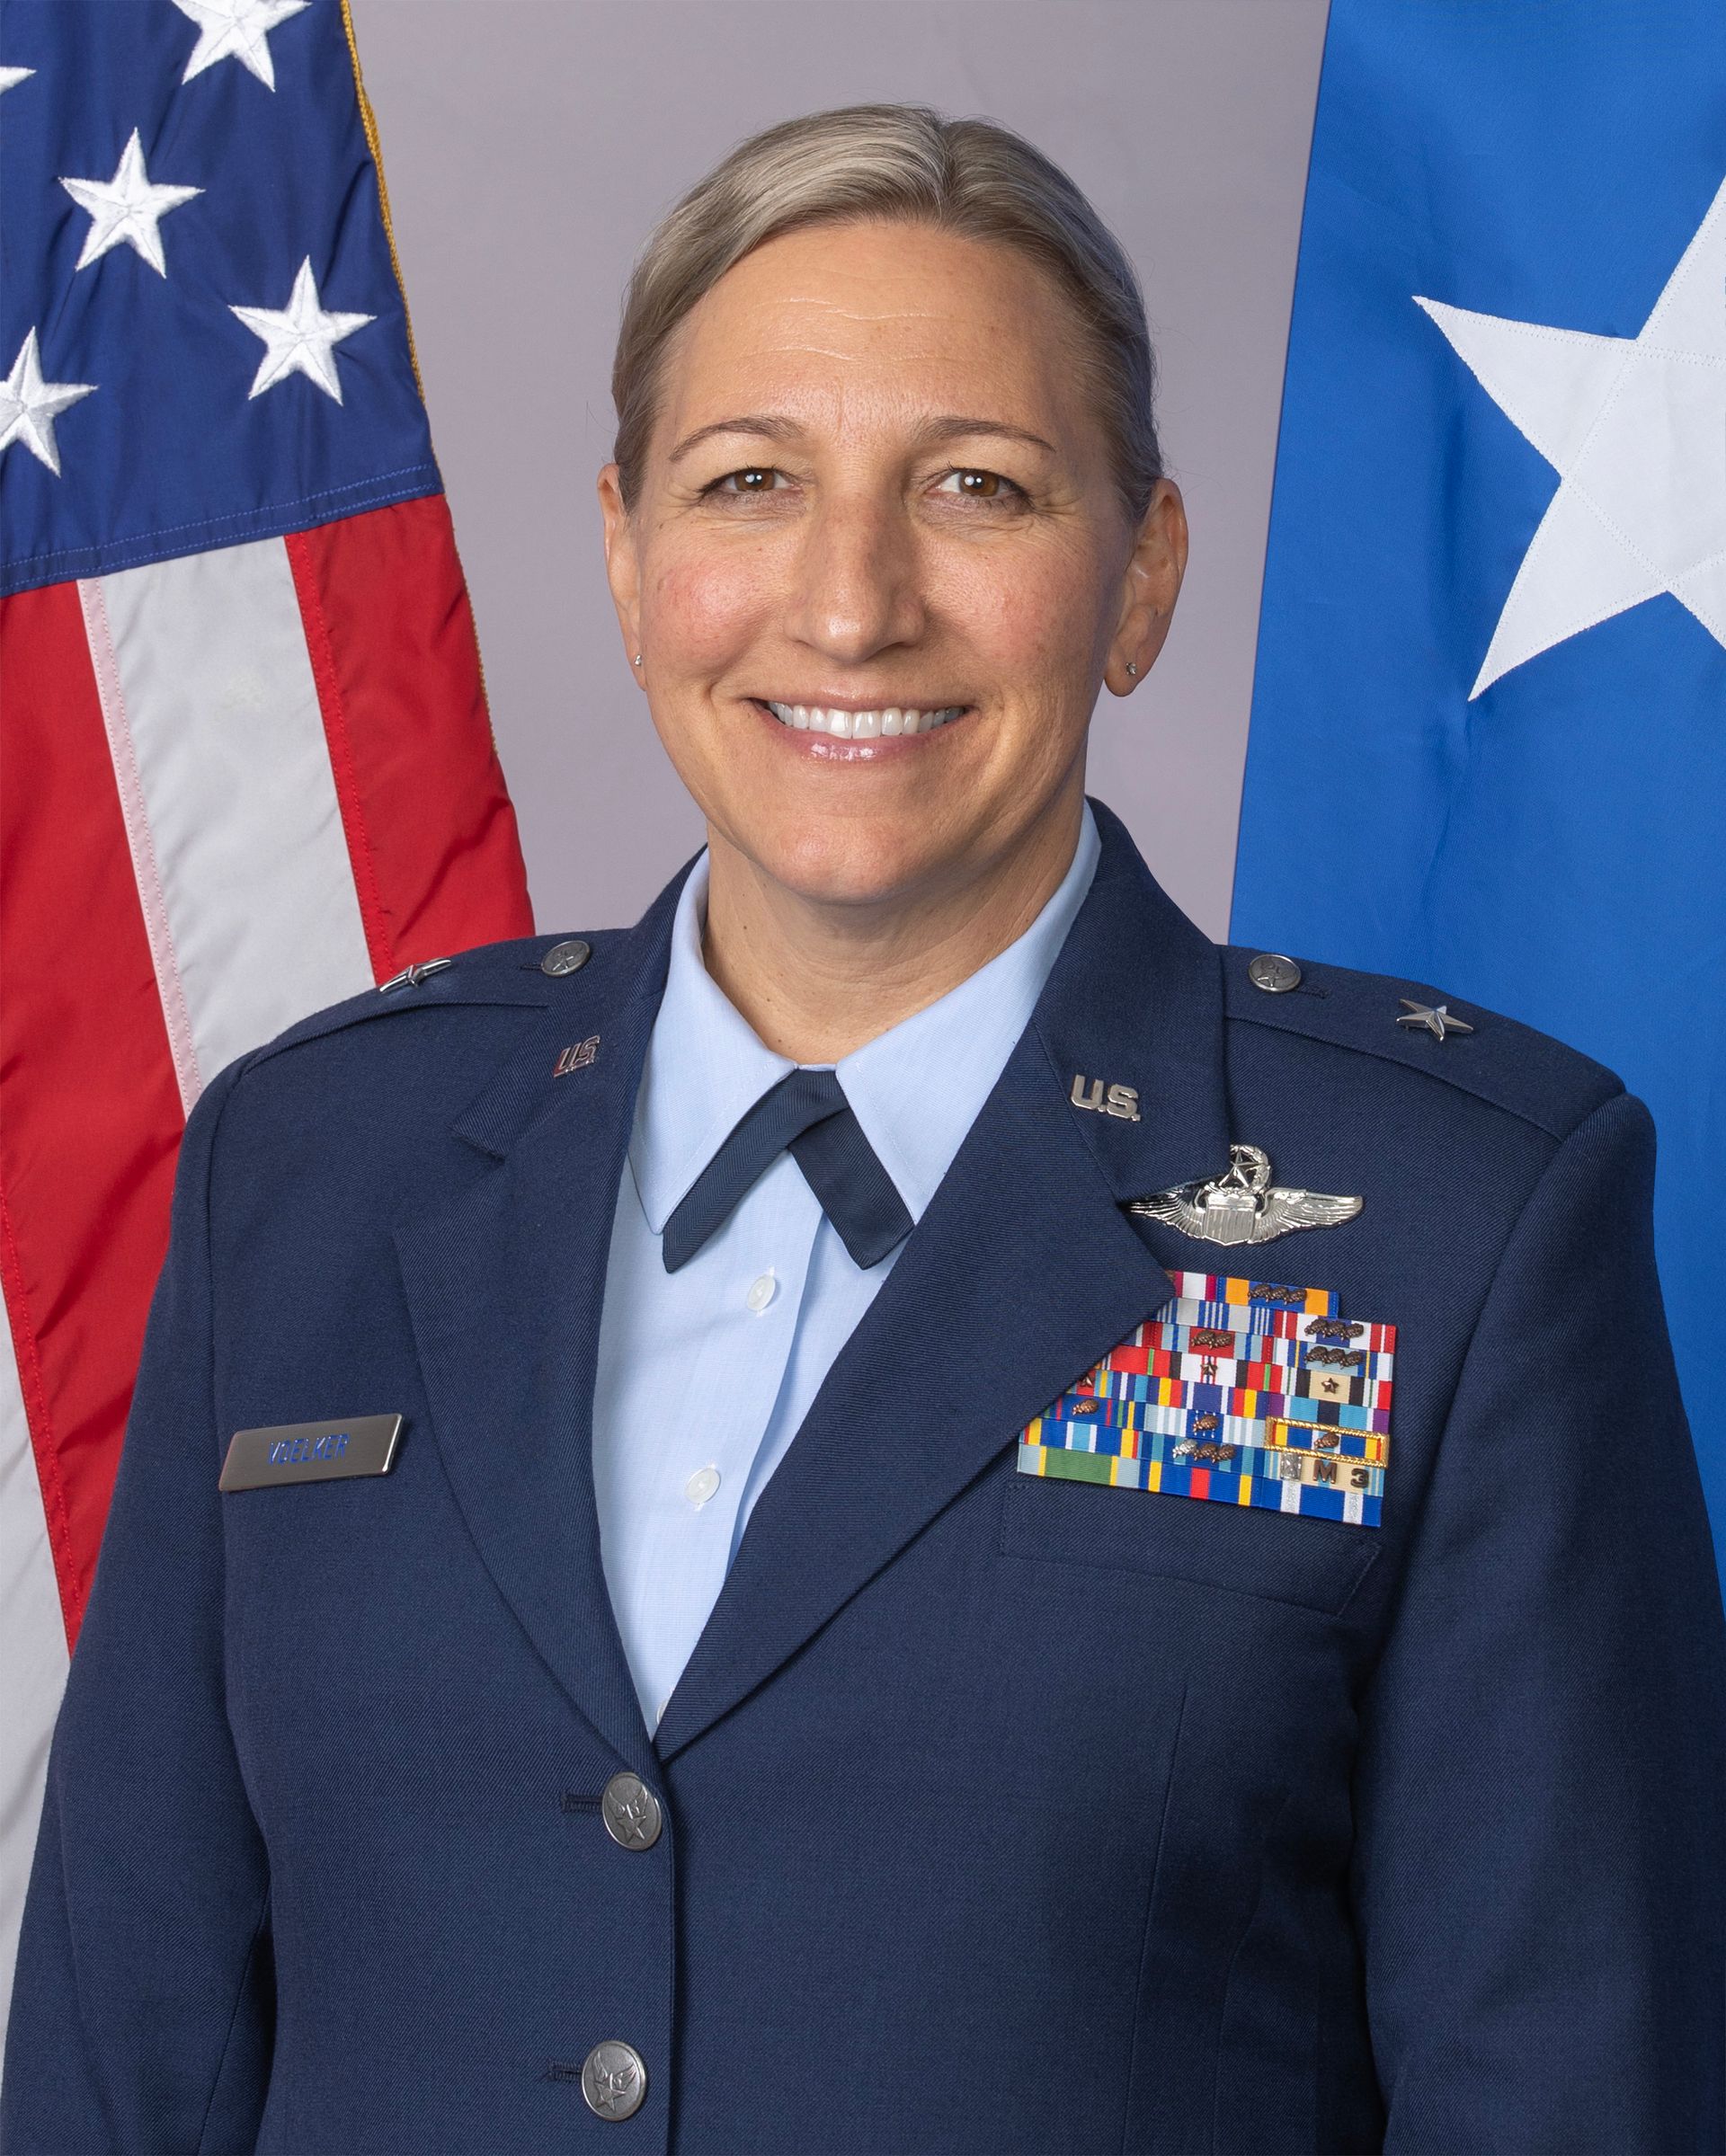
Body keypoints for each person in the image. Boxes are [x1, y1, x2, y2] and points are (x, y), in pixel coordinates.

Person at [4, 100, 1722, 2156]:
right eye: (750, 482)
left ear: (1142, 576)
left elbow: (1567, 2093)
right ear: (629, 558)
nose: (849, 605)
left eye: (977, 488)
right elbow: (123, 2061)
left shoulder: (1463, 1222)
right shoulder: (310, 1161)